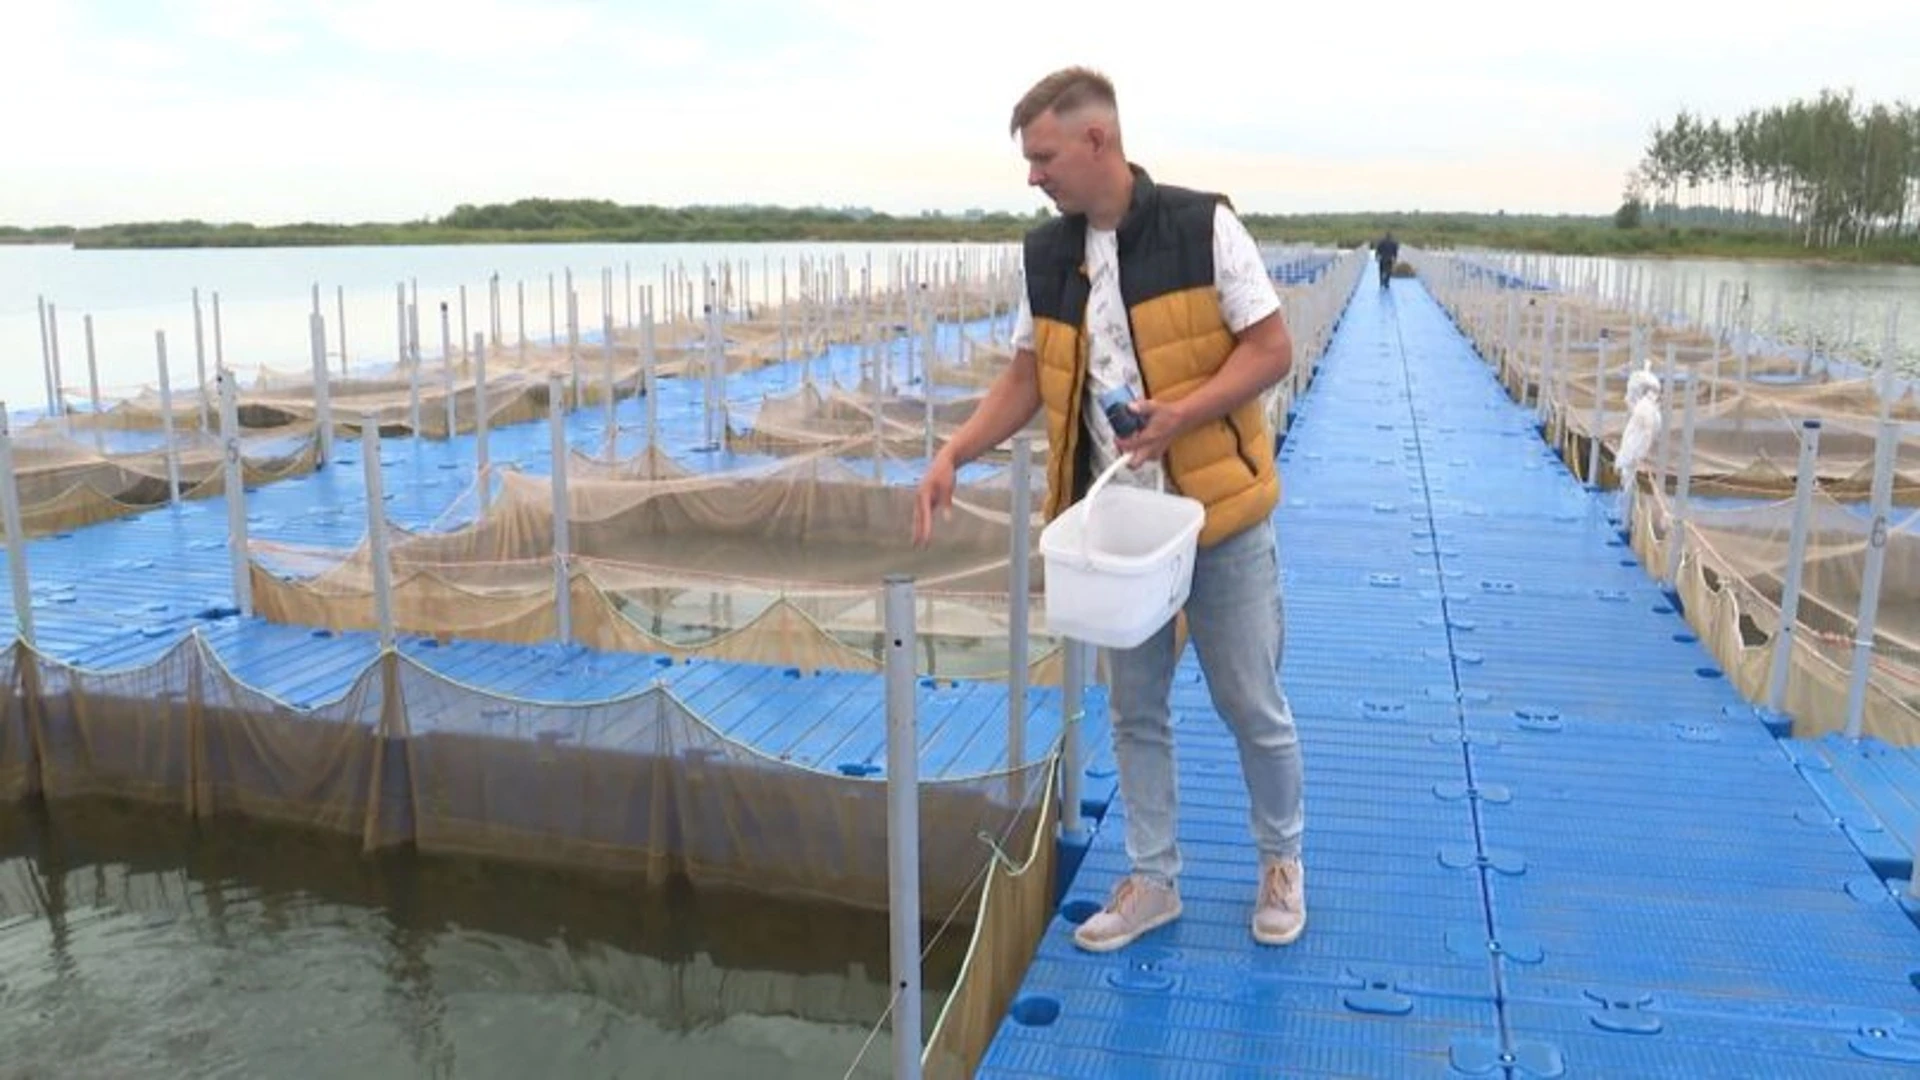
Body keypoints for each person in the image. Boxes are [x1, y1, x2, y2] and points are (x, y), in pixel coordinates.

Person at [912, 66, 1307, 952]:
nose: (1033, 175)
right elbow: (1025, 378)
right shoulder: (1048, 255)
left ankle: (1281, 860)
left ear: (1098, 141)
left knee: (1251, 703)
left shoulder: (1203, 225)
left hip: (1217, 516)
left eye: (1043, 155)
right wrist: (952, 453)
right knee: (1133, 711)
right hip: (1117, 528)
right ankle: (1154, 879)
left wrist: (1184, 414)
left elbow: (1272, 346)